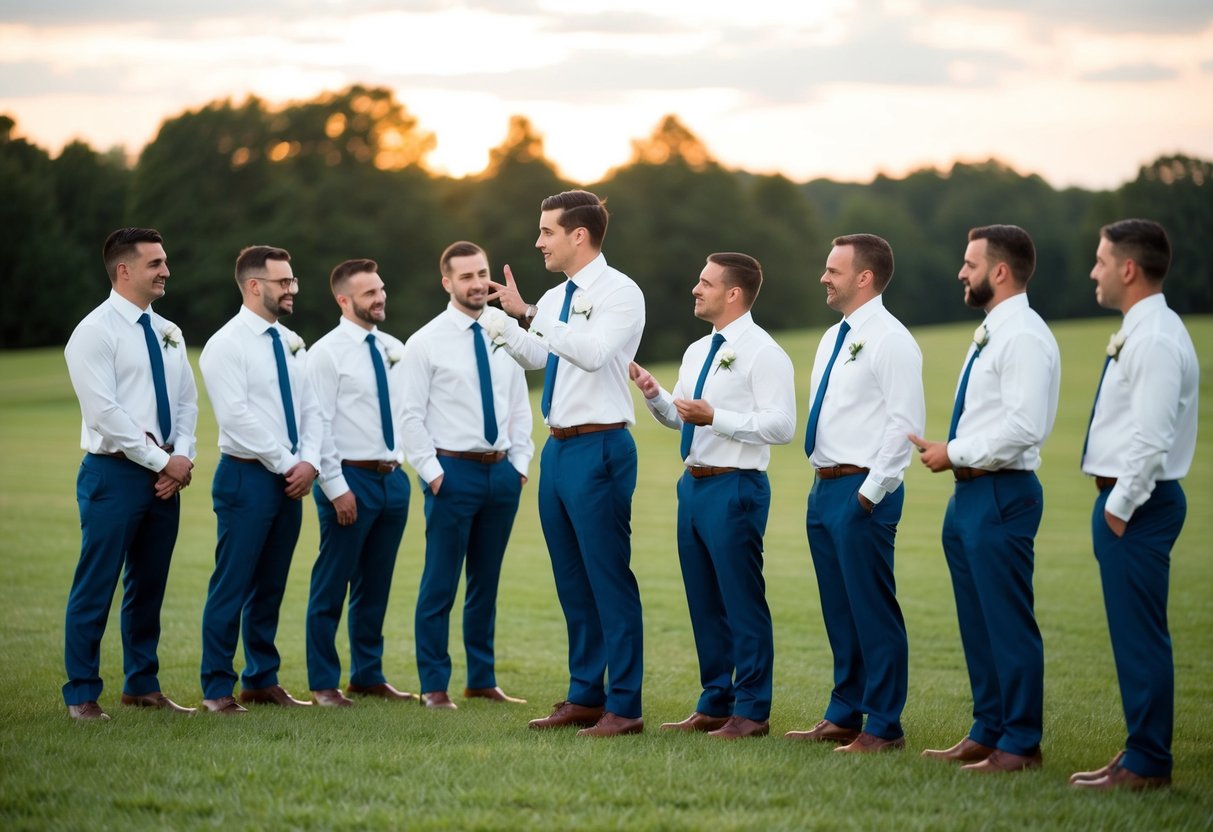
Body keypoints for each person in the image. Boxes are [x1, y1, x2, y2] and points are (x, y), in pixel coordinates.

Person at [485, 189, 646, 737]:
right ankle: (584, 695)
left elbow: (597, 353)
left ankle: (624, 707)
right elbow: (541, 355)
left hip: (601, 447)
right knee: (572, 579)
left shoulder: (622, 293)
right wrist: (502, 323)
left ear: (579, 235)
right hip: (557, 447)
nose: (538, 242)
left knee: (608, 576)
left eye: (547, 232)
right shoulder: (554, 297)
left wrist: (529, 313)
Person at [909, 224, 1060, 773]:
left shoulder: (1021, 334)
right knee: (978, 620)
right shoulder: (997, 329)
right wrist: (954, 453)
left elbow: (1023, 427)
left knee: (1007, 620)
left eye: (970, 264)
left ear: (999, 271)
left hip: (1001, 491)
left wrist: (955, 450)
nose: (961, 272)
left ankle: (1020, 743)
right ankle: (988, 728)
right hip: (972, 492)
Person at [630, 252, 795, 739]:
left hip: (736, 486)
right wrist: (655, 395)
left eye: (705, 283)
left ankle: (752, 712)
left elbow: (782, 426)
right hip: (694, 485)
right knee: (703, 601)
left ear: (734, 293)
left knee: (741, 601)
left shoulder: (765, 353)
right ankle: (714, 701)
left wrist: (716, 417)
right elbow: (682, 417)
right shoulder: (698, 351)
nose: (695, 289)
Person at [1069, 219, 1198, 791]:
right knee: (1131, 637)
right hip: (1130, 503)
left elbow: (1152, 437)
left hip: (1138, 506)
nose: (1094, 270)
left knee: (1141, 638)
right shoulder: (1142, 329)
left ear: (1128, 268)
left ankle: (1148, 764)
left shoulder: (1156, 338)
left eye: (1100, 261)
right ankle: (1137, 754)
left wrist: (1118, 508)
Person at [787, 234, 924, 752]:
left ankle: (884, 725)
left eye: (833, 270)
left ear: (864, 277)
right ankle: (844, 712)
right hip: (824, 486)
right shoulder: (832, 338)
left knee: (872, 609)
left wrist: (869, 495)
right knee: (839, 609)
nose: (824, 277)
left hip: (864, 488)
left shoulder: (891, 339)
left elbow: (904, 423)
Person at [62, 227, 198, 720]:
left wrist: (180, 458)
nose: (166, 271)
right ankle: (81, 693)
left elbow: (186, 401)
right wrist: (166, 462)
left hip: (164, 476)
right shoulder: (94, 332)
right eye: (155, 264)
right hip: (113, 474)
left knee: (149, 586)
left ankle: (142, 685)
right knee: (96, 585)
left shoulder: (169, 331)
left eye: (165, 262)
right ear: (124, 270)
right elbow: (105, 415)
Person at [400, 242, 534, 710]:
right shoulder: (425, 342)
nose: (477, 283)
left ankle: (482, 679)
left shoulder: (504, 331)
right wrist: (435, 475)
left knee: (486, 582)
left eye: (482, 273)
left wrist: (519, 464)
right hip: (451, 472)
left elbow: (519, 403)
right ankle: (434, 686)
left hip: (501, 475)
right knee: (440, 582)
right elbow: (410, 418)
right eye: (466, 276)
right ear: (447, 283)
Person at [198, 245, 321, 714]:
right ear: (254, 286)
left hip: (290, 478)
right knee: (233, 583)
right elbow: (236, 417)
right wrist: (289, 462)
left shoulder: (291, 341)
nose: (292, 289)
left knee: (271, 584)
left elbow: (311, 410)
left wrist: (308, 461)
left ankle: (261, 680)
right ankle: (215, 688)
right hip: (247, 476)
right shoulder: (225, 345)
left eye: (292, 281)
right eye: (283, 282)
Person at [303, 259, 414, 708]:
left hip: (392, 479)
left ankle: (368, 675)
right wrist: (335, 486)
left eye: (381, 288)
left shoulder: (393, 346)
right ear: (344, 300)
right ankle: (323, 683)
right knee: (332, 583)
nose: (380, 297)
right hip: (348, 478)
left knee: (376, 584)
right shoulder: (325, 353)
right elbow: (319, 425)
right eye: (370, 293)